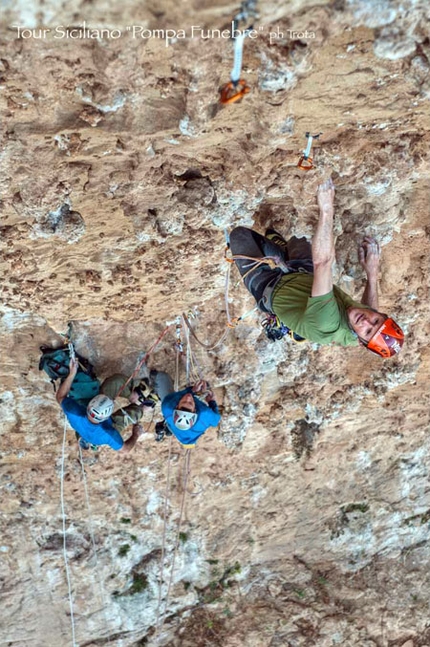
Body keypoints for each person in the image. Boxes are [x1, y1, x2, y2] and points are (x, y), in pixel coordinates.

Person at [229, 178, 404, 357]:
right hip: (306, 276)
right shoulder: (361, 327)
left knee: (239, 236)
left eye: (368, 331)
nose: (366, 321)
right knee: (303, 232)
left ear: (361, 342)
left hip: (270, 287)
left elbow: (323, 263)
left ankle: (281, 255)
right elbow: (370, 310)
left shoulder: (327, 323)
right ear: (379, 313)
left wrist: (327, 209)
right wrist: (372, 275)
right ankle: (285, 253)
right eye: (375, 320)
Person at [56, 359, 153, 452]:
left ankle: (132, 395)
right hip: (101, 431)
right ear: (107, 417)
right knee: (129, 416)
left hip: (87, 431)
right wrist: (135, 434)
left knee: (115, 382)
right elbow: (125, 449)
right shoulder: (108, 434)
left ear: (90, 405)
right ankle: (144, 408)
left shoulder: (75, 414)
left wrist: (72, 374)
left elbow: (60, 397)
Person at [149, 369, 221, 446]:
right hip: (188, 435)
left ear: (176, 406)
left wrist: (191, 390)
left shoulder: (168, 406)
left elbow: (181, 395)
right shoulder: (204, 414)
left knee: (162, 377)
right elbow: (216, 421)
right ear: (195, 410)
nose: (188, 398)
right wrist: (211, 402)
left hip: (178, 430)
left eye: (184, 402)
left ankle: (169, 429)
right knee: (172, 427)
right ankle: (170, 429)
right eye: (190, 403)